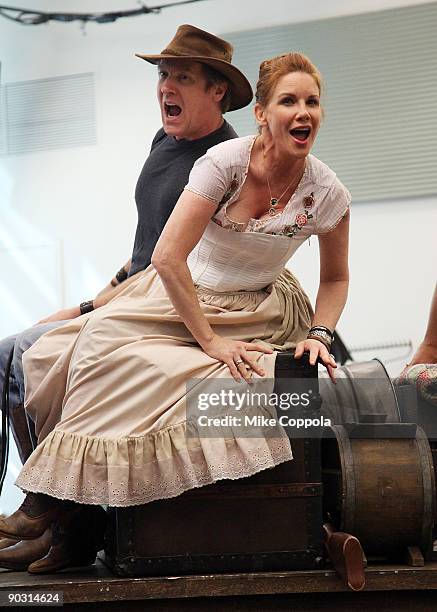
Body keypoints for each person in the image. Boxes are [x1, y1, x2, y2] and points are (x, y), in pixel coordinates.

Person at [0, 51, 350, 573]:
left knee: (159, 373)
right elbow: (164, 257)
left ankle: (59, 513)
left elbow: (337, 278)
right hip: (179, 297)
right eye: (288, 101)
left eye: (312, 102)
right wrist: (208, 339)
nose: (303, 112)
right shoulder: (224, 164)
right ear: (261, 113)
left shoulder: (327, 192)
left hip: (258, 311)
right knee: (75, 351)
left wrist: (321, 331)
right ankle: (64, 515)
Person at [0, 24, 251, 572]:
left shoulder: (228, 160)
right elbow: (143, 251)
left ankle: (66, 518)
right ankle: (54, 517)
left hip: (168, 305)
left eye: (182, 76)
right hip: (135, 291)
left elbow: (193, 265)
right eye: (163, 74)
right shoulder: (164, 142)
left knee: (33, 357)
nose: (166, 86)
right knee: (10, 349)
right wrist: (87, 305)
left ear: (217, 92)